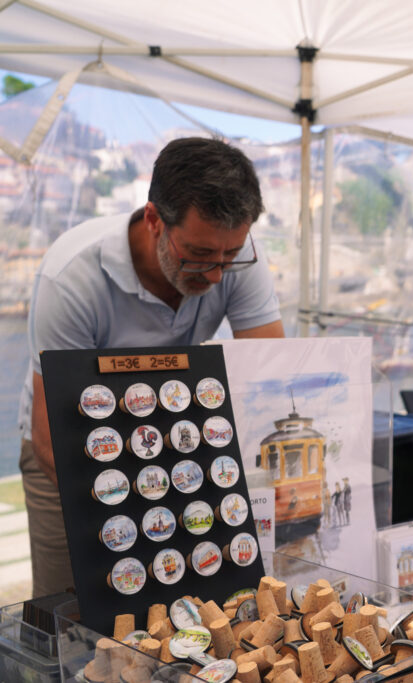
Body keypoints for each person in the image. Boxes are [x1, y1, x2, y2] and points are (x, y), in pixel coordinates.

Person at [18, 137, 284, 597]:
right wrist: (147, 511)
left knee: (197, 599)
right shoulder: (72, 277)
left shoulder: (230, 254)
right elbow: (48, 440)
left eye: (230, 256)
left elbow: (270, 377)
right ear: (154, 220)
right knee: (77, 608)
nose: (218, 275)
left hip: (177, 433)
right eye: (199, 255)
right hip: (69, 447)